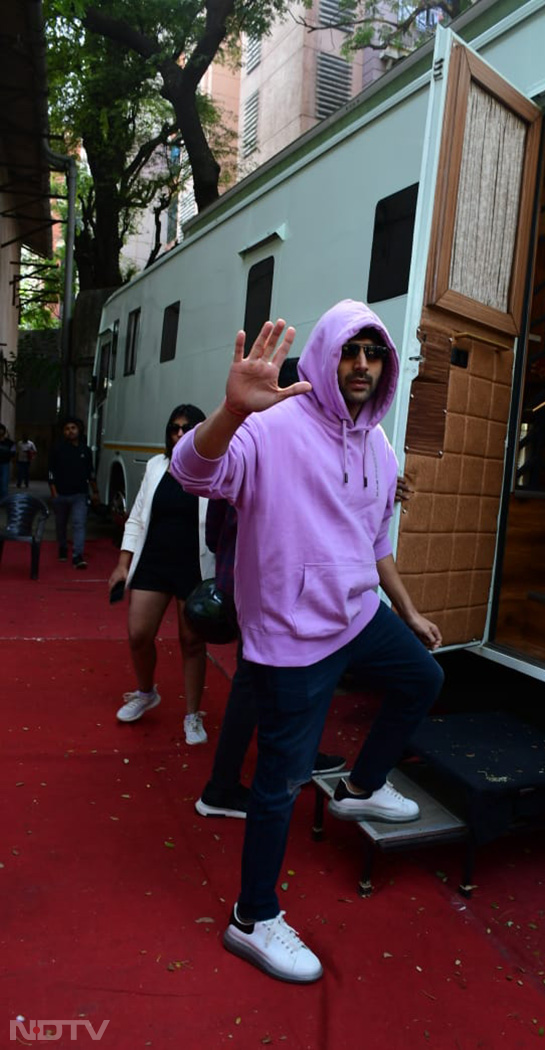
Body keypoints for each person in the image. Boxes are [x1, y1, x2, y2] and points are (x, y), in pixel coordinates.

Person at [171, 301, 444, 984]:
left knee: (423, 678)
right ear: (325, 356)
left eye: (372, 353)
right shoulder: (275, 424)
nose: (360, 365)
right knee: (281, 784)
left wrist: (404, 610)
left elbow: (374, 539)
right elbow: (192, 474)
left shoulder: (378, 444)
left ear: (384, 366)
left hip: (357, 615)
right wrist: (232, 412)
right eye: (349, 351)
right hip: (294, 635)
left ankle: (360, 785)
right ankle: (252, 919)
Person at [194, 498, 346, 820]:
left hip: (251, 585)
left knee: (264, 679)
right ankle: (222, 788)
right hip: (271, 586)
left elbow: (213, 534)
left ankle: (294, 757)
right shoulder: (265, 452)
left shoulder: (239, 449)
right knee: (257, 682)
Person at [108, 404, 215, 746]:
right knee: (138, 634)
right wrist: (123, 564)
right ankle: (146, 691)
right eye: (174, 428)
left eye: (187, 428)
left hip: (193, 566)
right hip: (153, 561)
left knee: (192, 642)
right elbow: (138, 517)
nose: (180, 434)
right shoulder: (157, 466)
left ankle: (193, 714)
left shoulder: (215, 468)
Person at [48, 417, 99, 568]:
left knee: (79, 524)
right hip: (61, 494)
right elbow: (51, 472)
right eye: (67, 429)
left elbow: (90, 473)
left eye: (73, 428)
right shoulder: (57, 449)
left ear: (78, 430)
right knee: (61, 524)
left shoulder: (86, 450)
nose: (70, 431)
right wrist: (54, 493)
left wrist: (95, 492)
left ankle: (78, 555)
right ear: (63, 432)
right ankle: (62, 547)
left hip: (79, 495)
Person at [0, 423, 15, 500]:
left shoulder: (10, 442)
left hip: (5, 464)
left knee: (4, 483)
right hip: (5, 463)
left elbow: (13, 453)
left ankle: (3, 500)